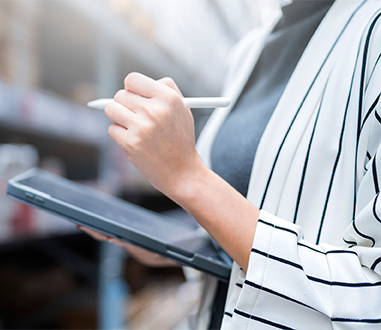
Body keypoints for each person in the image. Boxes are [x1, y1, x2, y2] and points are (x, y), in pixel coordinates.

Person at [82, 0, 381, 328]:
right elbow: (238, 235)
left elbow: (371, 299)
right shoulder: (250, 50)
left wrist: (188, 178)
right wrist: (162, 243)